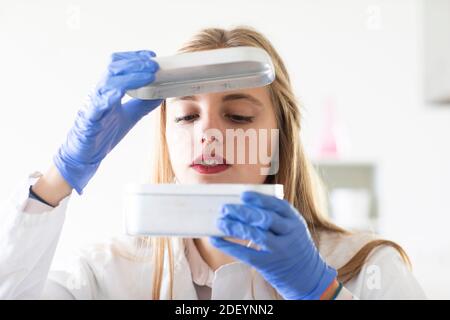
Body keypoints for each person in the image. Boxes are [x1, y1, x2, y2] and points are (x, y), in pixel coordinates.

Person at [0, 26, 426, 300]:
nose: (208, 134)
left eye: (238, 116)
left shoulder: (367, 268)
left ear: (279, 137)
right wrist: (59, 177)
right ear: (166, 137)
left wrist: (322, 292)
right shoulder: (105, 275)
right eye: (186, 116)